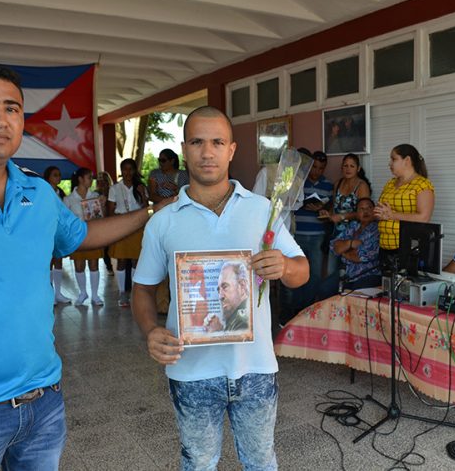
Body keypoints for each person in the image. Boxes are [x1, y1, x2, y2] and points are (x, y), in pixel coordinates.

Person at [0, 62, 172, 470]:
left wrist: (152, 212)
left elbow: (81, 236)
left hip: (42, 402)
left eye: (13, 109)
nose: (1, 119)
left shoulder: (36, 188)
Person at [132, 106, 308, 470]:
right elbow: (143, 289)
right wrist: (151, 330)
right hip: (191, 370)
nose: (207, 152)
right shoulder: (163, 222)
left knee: (261, 463)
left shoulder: (263, 211)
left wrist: (285, 266)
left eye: (217, 142)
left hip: (256, 367)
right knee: (198, 463)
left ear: (232, 149)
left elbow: (301, 271)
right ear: (184, 148)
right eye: (197, 142)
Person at [281, 150, 334, 323]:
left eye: (321, 168)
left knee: (315, 274)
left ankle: (307, 308)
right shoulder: (299, 181)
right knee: (295, 272)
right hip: (297, 234)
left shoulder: (328, 185)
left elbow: (332, 207)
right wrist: (303, 203)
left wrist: (322, 208)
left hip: (318, 234)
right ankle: (294, 308)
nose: (317, 171)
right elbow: (288, 202)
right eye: (314, 167)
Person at [373, 144, 434, 273]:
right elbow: (383, 210)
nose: (390, 163)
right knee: (386, 287)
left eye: (394, 159)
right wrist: (380, 213)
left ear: (407, 161)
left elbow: (424, 218)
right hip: (384, 247)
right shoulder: (390, 183)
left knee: (403, 289)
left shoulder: (422, 184)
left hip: (407, 249)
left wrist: (392, 215)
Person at [318, 153, 371, 277]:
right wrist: (328, 213)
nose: (348, 169)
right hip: (336, 234)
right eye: (345, 166)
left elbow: (365, 214)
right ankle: (332, 296)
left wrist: (343, 216)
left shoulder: (361, 186)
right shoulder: (338, 183)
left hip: (353, 234)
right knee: (331, 271)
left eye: (352, 166)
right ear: (341, 168)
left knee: (348, 272)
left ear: (358, 169)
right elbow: (335, 207)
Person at [318, 198, 381, 298]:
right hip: (346, 273)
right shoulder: (353, 226)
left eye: (369, 208)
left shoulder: (377, 229)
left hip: (367, 275)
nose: (366, 211)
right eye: (361, 209)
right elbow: (335, 247)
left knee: (352, 295)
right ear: (356, 213)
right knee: (324, 289)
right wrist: (350, 243)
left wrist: (343, 252)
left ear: (374, 210)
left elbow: (359, 257)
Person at [108, 158, 148, 307]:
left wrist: (143, 195)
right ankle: (122, 293)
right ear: (121, 171)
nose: (128, 172)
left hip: (137, 226)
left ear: (135, 170)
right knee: (122, 260)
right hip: (121, 225)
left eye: (130, 169)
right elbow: (111, 210)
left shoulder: (140, 187)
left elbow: (146, 208)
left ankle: (133, 292)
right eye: (125, 169)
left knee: (136, 260)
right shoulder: (115, 188)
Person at [63, 167, 105, 306]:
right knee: (79, 265)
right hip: (77, 235)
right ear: (80, 179)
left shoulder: (95, 196)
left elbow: (100, 216)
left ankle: (95, 295)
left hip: (93, 233)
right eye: (89, 177)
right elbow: (64, 218)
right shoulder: (69, 199)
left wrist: (101, 206)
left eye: (91, 178)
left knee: (94, 264)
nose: (91, 180)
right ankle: (83, 293)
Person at [43, 165, 72, 304]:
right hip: (46, 230)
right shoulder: (42, 191)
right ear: (48, 177)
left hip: (58, 231)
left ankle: (58, 293)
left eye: (59, 174)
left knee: (59, 261)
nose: (58, 177)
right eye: (55, 175)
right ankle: (48, 293)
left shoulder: (60, 192)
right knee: (49, 262)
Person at [206, 261, 250, 332]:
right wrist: (220, 329)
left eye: (225, 287)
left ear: (242, 286)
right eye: (218, 290)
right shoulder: (237, 319)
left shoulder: (242, 320)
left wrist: (217, 333)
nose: (220, 296)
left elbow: (237, 342)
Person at [96, 170, 115, 276]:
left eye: (104, 180)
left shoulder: (114, 191)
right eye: (99, 181)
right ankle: (109, 266)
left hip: (113, 222)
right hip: (102, 224)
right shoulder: (95, 193)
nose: (102, 183)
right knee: (105, 248)